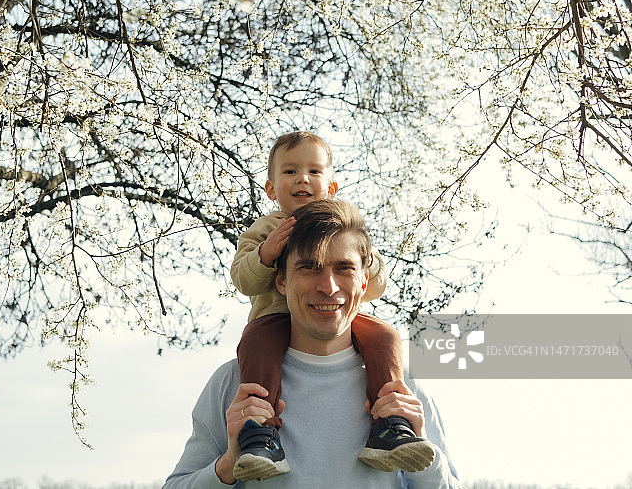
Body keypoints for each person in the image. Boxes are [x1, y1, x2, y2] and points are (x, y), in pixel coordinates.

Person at [163, 199, 461, 488]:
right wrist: (228, 465)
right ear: (281, 280)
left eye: (344, 268)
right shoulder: (236, 384)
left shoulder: (402, 389)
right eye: (309, 267)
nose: (328, 286)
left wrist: (426, 456)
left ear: (364, 281)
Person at [229, 131, 433, 481]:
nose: (302, 179)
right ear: (272, 189)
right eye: (290, 172)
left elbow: (375, 285)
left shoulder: (345, 227)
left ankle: (389, 424)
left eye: (314, 171)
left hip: (343, 325)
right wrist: (266, 254)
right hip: (275, 322)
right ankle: (260, 432)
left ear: (332, 187)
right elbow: (243, 278)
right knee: (255, 342)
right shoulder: (266, 229)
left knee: (384, 336)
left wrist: (365, 259)